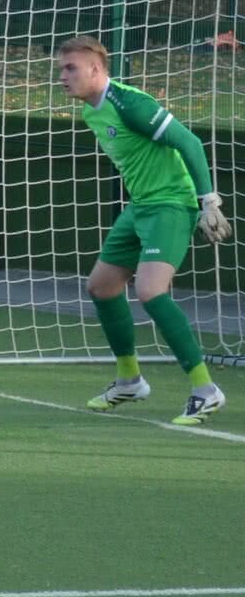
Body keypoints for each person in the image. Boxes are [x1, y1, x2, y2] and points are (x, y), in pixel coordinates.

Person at [60, 35, 230, 426]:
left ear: (97, 69)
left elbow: (189, 141)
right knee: (102, 287)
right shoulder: (91, 111)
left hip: (172, 204)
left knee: (151, 291)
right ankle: (129, 380)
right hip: (140, 207)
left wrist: (209, 201)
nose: (63, 77)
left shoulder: (130, 105)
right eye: (61, 69)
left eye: (71, 68)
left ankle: (206, 390)